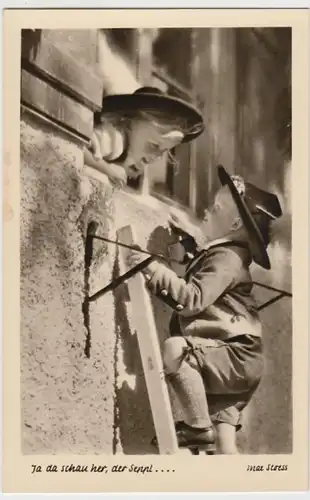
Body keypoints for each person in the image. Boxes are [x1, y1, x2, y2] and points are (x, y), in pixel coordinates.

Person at [126, 165, 283, 454]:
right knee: (225, 446)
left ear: (235, 225)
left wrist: (150, 268)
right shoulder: (227, 256)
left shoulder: (226, 257)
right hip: (241, 361)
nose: (207, 211)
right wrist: (188, 245)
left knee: (176, 349)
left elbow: (193, 298)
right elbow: (200, 277)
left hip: (234, 354)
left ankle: (198, 429)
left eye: (215, 207)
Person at [84, 86, 204, 187]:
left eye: (164, 150)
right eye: (154, 145)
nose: (156, 156)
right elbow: (78, 146)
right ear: (130, 121)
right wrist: (108, 170)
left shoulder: (126, 147)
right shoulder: (116, 140)